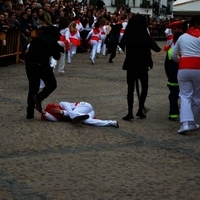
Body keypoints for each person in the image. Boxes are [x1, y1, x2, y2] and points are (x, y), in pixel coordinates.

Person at [119, 14, 160, 121]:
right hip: (142, 63)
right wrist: (150, 62)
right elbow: (150, 49)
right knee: (144, 87)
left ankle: (130, 112)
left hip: (131, 63)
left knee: (130, 89)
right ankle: (140, 109)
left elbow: (122, 44)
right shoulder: (143, 34)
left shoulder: (129, 34)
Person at [25, 26, 64, 119]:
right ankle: (39, 97)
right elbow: (56, 57)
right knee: (52, 84)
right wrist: (58, 48)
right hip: (42, 64)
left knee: (33, 88)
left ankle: (30, 113)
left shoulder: (36, 39)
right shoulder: (52, 41)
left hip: (29, 64)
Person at [171, 15, 200, 134]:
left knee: (185, 96)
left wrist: (182, 60)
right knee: (197, 96)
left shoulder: (182, 37)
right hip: (198, 68)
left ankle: (185, 124)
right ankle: (192, 122)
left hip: (183, 68)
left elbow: (173, 55)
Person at [41, 101, 119, 127]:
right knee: (87, 121)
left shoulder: (63, 104)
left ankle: (79, 117)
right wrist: (44, 113)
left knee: (73, 113)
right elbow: (54, 119)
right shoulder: (60, 117)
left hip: (85, 106)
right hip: (89, 113)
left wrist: (62, 112)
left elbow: (69, 112)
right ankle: (111, 122)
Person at [164, 21, 183, 120]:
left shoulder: (171, 49)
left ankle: (174, 113)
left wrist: (169, 75)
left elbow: (166, 64)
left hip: (174, 75)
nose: (173, 31)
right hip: (181, 74)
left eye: (175, 29)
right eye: (172, 30)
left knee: (174, 95)